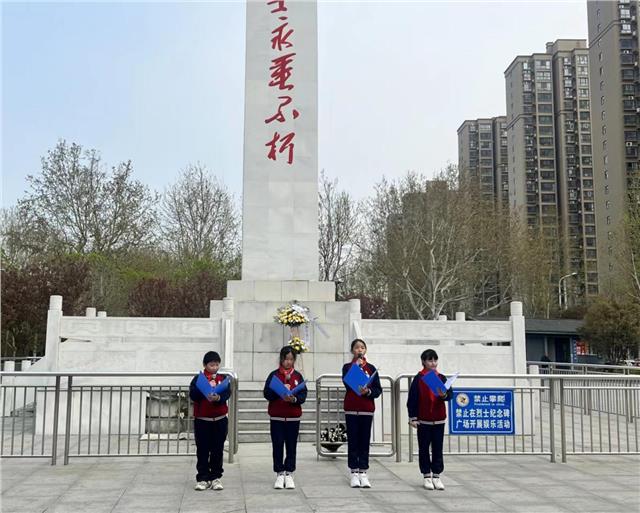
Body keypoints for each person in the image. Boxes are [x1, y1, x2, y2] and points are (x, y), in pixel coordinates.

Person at [406, 349, 452, 491]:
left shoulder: (442, 377)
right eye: (430, 360)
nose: (433, 363)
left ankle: (437, 475)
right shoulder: (419, 378)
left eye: (435, 360)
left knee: (438, 448)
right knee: (424, 448)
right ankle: (426, 475)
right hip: (424, 420)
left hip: (438, 419)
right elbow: (412, 399)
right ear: (424, 362)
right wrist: (413, 417)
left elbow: (449, 395)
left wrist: (444, 394)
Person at [263, 346, 307, 490]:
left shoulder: (298, 376)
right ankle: (279, 473)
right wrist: (279, 392)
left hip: (293, 418)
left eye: (291, 359)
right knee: (277, 445)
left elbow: (303, 395)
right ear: (281, 359)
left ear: (294, 360)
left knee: (291, 446)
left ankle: (289, 473)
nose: (288, 362)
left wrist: (294, 399)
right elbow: (267, 393)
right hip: (277, 417)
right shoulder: (273, 375)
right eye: (285, 359)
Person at [341, 338, 382, 488]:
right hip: (352, 407)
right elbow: (346, 383)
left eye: (362, 348)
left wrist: (369, 391)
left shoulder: (371, 368)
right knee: (353, 441)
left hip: (366, 408)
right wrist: (355, 369)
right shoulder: (347, 367)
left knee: (364, 441)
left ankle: (363, 472)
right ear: (352, 350)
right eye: (357, 348)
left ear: (365, 351)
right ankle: (353, 472)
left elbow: (378, 390)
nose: (360, 350)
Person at [189, 351, 231, 491]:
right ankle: (202, 478)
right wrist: (204, 390)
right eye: (211, 365)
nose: (214, 367)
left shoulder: (222, 378)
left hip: (219, 420)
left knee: (217, 450)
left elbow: (226, 393)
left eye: (216, 364)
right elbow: (193, 395)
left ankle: (215, 477)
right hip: (202, 420)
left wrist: (218, 398)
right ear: (205, 365)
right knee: (202, 450)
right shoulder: (198, 379)